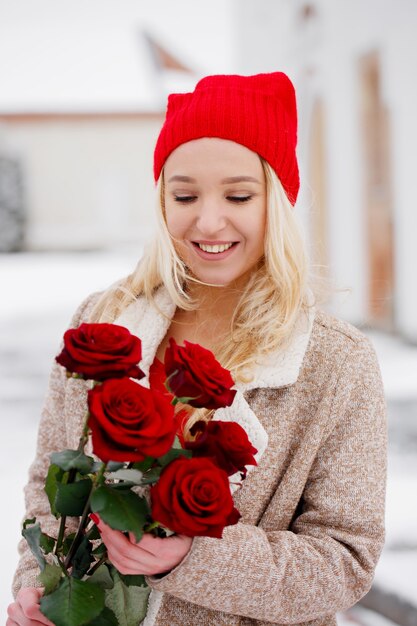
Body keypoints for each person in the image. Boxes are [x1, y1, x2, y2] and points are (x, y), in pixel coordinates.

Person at [8, 72, 387, 626]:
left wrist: (194, 557)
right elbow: (50, 494)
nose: (208, 221)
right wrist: (37, 591)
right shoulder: (105, 321)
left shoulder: (335, 363)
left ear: (276, 203)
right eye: (184, 195)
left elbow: (344, 562)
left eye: (238, 195)